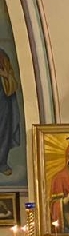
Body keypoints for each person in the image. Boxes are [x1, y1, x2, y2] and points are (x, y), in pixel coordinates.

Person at [0, 46, 20, 177]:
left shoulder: (2, 56)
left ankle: (1, 163)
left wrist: (6, 76)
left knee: (3, 131)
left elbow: (12, 80)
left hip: (2, 102)